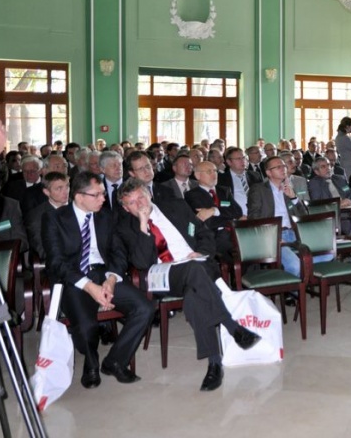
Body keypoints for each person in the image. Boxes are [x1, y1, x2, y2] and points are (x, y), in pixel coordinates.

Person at [115, 177, 260, 391]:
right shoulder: (126, 227)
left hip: (197, 264)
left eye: (142, 198)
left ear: (150, 195)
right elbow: (141, 262)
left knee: (195, 294)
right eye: (132, 202)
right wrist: (143, 225)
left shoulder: (176, 206)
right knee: (194, 272)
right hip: (163, 277)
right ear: (125, 208)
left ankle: (214, 363)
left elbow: (203, 233)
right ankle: (233, 327)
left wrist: (201, 252)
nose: (140, 204)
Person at [42, 172, 155, 389]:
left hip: (103, 274)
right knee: (86, 327)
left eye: (103, 193)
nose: (103, 199)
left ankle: (114, 361)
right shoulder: (55, 218)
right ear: (79, 196)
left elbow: (118, 253)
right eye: (97, 195)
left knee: (145, 308)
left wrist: (111, 279)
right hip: (73, 280)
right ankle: (91, 362)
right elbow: (56, 262)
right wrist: (89, 286)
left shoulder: (106, 216)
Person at [247, 156, 333, 277]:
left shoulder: (288, 189)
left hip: (294, 233)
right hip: (274, 235)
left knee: (328, 254)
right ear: (268, 173)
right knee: (295, 265)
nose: (283, 169)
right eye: (278, 167)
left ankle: (300, 274)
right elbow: (254, 218)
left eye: (284, 166)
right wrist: (271, 235)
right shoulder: (259, 189)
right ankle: (295, 289)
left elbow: (304, 215)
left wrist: (294, 198)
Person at [185, 161, 244, 263]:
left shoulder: (224, 190)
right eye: (209, 172)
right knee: (240, 251)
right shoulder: (192, 195)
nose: (214, 174)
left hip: (233, 232)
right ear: (198, 175)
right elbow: (208, 222)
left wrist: (214, 211)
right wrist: (228, 218)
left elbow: (237, 211)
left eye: (215, 171)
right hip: (214, 235)